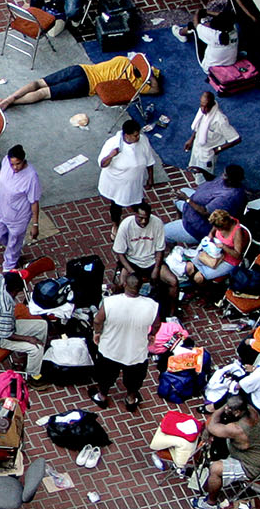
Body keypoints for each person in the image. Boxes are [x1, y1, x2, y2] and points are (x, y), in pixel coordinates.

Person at [190, 398, 260, 509]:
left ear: (237, 412)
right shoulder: (250, 410)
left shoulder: (237, 429)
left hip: (250, 466)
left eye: (229, 408)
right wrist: (228, 403)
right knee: (219, 442)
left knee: (215, 468)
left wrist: (209, 428)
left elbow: (211, 426)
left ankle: (210, 504)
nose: (226, 409)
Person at [94, 270, 159, 412]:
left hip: (110, 349)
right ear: (140, 287)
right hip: (135, 353)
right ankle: (131, 400)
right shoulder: (151, 306)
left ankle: (102, 396)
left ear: (124, 284)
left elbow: (98, 320)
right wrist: (152, 335)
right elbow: (156, 325)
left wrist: (97, 333)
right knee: (134, 380)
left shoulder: (110, 302)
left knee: (105, 376)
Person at [0, 52, 147, 112]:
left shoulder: (123, 60)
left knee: (38, 83)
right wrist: (149, 78)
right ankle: (10, 103)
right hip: (85, 85)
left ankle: (10, 98)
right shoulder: (135, 84)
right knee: (43, 93)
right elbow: (155, 89)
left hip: (80, 69)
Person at [0, 145, 41, 271]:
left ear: (23, 160)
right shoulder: (6, 161)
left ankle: (9, 266)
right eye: (12, 164)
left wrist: (35, 224)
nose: (14, 167)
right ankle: (14, 247)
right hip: (1, 208)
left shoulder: (31, 177)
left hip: (18, 216)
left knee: (14, 243)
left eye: (18, 164)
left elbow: (34, 202)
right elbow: (3, 171)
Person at [166, 164, 251, 247]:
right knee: (180, 193)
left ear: (231, 180)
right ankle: (180, 217)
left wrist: (187, 199)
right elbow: (214, 180)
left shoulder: (227, 198)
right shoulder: (227, 181)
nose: (222, 175)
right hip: (191, 207)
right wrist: (203, 172)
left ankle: (172, 245)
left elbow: (206, 212)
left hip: (197, 226)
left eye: (225, 175)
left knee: (165, 232)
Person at [112, 200, 177, 305]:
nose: (143, 221)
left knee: (173, 282)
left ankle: (171, 311)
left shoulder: (157, 223)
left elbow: (160, 250)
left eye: (146, 218)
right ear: (135, 214)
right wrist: (132, 272)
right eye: (140, 218)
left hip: (152, 261)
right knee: (121, 283)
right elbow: (120, 253)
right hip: (132, 262)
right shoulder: (126, 225)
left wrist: (156, 269)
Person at [0, 272, 47, 379]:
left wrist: (12, 274)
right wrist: (29, 339)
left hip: (9, 325)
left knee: (43, 325)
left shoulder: (2, 282)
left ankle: (35, 360)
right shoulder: (6, 309)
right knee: (36, 349)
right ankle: (31, 376)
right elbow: (6, 335)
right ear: (15, 290)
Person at [97, 119, 161, 221]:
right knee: (116, 205)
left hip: (135, 183)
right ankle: (115, 225)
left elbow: (149, 160)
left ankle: (145, 221)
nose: (138, 137)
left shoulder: (143, 141)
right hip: (117, 184)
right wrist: (111, 155)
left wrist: (150, 178)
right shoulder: (112, 143)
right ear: (127, 135)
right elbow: (102, 164)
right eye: (135, 135)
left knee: (139, 204)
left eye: (138, 134)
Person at [189, 209, 252, 300]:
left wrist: (223, 246)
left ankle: (208, 294)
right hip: (216, 252)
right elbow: (213, 229)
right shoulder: (220, 221)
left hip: (229, 260)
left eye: (219, 228)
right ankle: (195, 288)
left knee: (198, 278)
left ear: (225, 224)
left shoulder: (237, 233)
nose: (218, 230)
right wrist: (210, 235)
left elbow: (238, 255)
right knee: (190, 266)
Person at [184, 90, 241, 176]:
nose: (203, 109)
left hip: (207, 155)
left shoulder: (220, 121)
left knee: (204, 177)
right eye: (201, 105)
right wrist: (191, 139)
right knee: (194, 169)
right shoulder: (202, 111)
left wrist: (217, 149)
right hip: (197, 148)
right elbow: (199, 126)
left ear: (212, 104)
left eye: (206, 107)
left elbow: (236, 139)